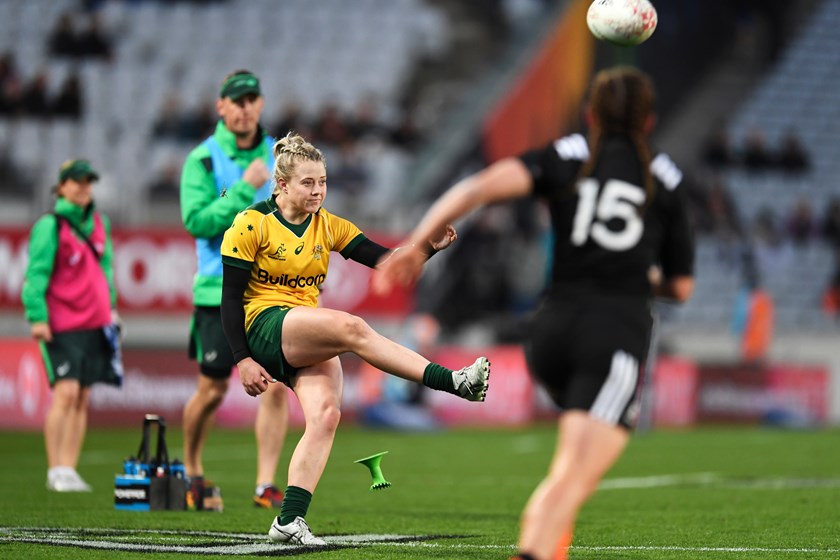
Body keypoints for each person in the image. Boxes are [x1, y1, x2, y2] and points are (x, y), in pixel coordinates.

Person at [374, 66, 695, 560]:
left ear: (590, 115)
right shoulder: (664, 178)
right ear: (649, 122)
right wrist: (637, 270)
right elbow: (680, 286)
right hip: (611, 335)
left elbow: (476, 188)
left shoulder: (568, 155)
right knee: (570, 480)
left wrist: (417, 246)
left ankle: (551, 549)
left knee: (569, 466)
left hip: (551, 333)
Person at [219, 132, 491, 545]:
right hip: (263, 325)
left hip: (302, 330)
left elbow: (386, 263)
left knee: (327, 415)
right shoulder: (251, 223)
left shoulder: (329, 225)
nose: (318, 190)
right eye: (308, 182)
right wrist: (242, 359)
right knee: (352, 328)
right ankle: (452, 381)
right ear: (282, 185)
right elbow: (229, 300)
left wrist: (426, 248)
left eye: (323, 181)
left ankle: (288, 521)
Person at [180, 69, 289, 510]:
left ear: (260, 105)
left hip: (269, 289)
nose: (244, 108)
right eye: (236, 101)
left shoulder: (281, 154)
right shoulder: (203, 160)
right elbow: (196, 222)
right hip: (217, 289)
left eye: (251, 100)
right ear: (221, 107)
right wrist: (244, 188)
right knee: (212, 390)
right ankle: (192, 471)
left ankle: (265, 483)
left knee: (279, 384)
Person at [21, 159, 123, 492]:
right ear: (61, 186)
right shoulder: (50, 226)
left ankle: (69, 468)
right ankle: (55, 469)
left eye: (87, 181)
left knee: (82, 395)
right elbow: (36, 275)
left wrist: (110, 308)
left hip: (95, 323)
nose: (82, 187)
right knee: (65, 393)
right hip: (62, 323)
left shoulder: (99, 223)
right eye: (76, 182)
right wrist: (37, 317)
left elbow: (104, 270)